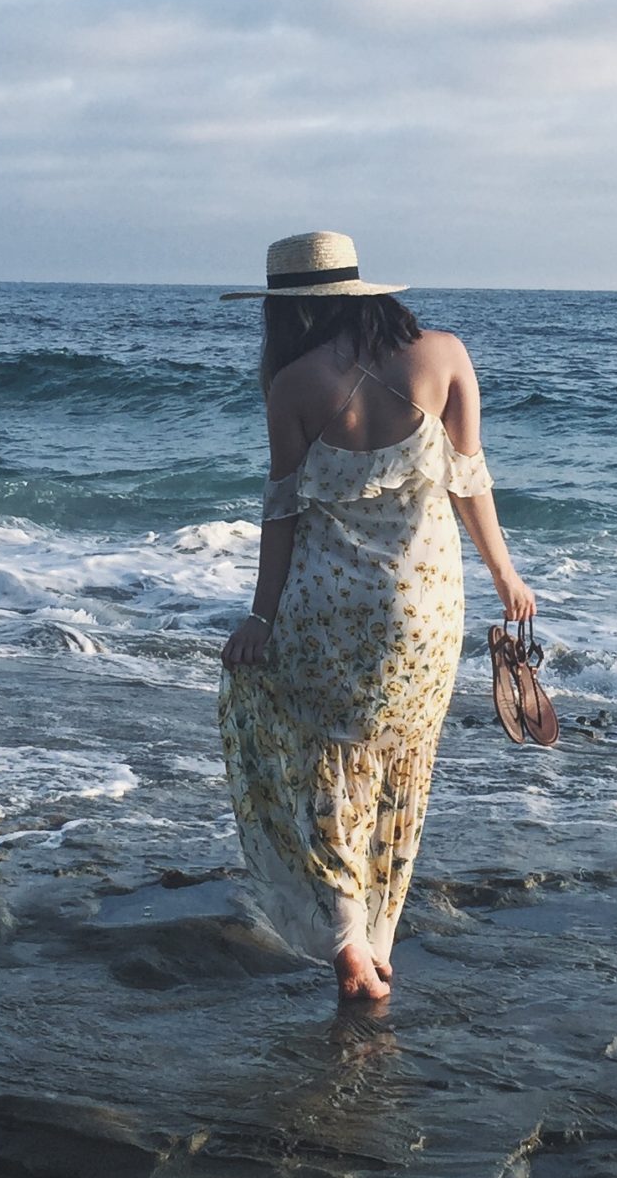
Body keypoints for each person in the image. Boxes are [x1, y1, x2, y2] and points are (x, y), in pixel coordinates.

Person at [216, 230, 536, 1002]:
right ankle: (381, 943)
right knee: (400, 763)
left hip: (328, 605)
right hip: (425, 608)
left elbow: (282, 514)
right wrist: (505, 575)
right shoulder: (446, 354)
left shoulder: (292, 384)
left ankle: (347, 938)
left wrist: (260, 618)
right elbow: (470, 481)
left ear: (289, 310)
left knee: (323, 757)